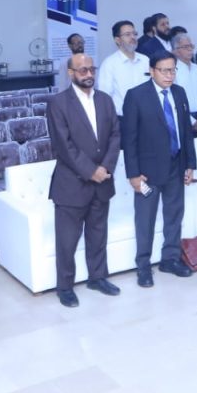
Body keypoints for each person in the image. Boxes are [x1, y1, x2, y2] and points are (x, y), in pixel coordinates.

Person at [45, 54, 121, 308]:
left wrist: (105, 168)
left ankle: (98, 277)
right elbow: (63, 146)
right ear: (70, 73)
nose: (88, 74)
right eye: (82, 70)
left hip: (102, 182)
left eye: (91, 69)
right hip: (72, 184)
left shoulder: (105, 100)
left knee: (98, 234)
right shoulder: (58, 103)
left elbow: (114, 137)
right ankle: (65, 287)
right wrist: (91, 171)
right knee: (67, 241)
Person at [121, 51, 196, 287]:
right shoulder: (136, 96)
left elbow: (186, 132)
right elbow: (129, 139)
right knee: (146, 220)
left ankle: (170, 259)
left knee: (174, 216)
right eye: (164, 70)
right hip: (147, 172)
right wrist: (133, 174)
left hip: (176, 165)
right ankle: (143, 266)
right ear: (152, 70)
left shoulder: (179, 93)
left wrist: (190, 164)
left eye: (173, 70)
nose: (170, 75)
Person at [97, 20, 150, 115]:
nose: (133, 37)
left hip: (147, 117)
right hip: (123, 119)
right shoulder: (109, 64)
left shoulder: (145, 60)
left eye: (134, 34)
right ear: (117, 40)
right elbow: (104, 97)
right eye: (127, 34)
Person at [173, 33, 197, 135]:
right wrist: (192, 121)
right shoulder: (173, 71)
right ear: (176, 51)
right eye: (185, 47)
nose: (190, 49)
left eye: (191, 46)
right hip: (184, 119)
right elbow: (176, 100)